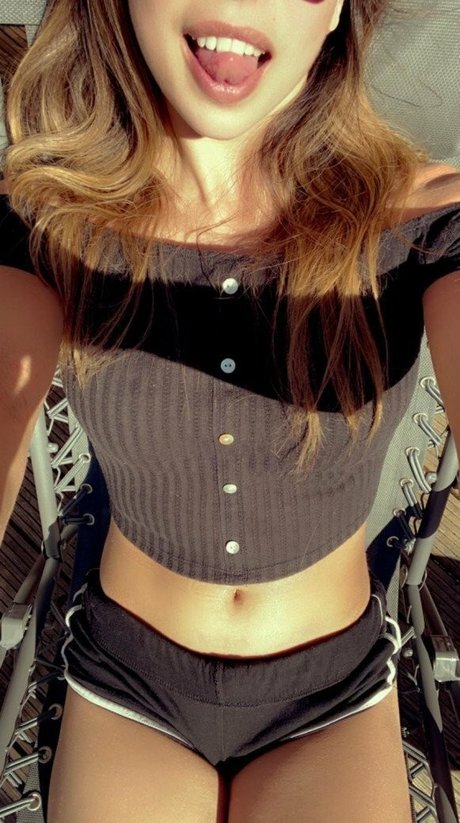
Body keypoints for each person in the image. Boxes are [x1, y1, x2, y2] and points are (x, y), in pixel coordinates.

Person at [0, 1, 459, 820]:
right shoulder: (49, 218)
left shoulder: (424, 221)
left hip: (330, 693)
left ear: (336, 12)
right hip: (127, 682)